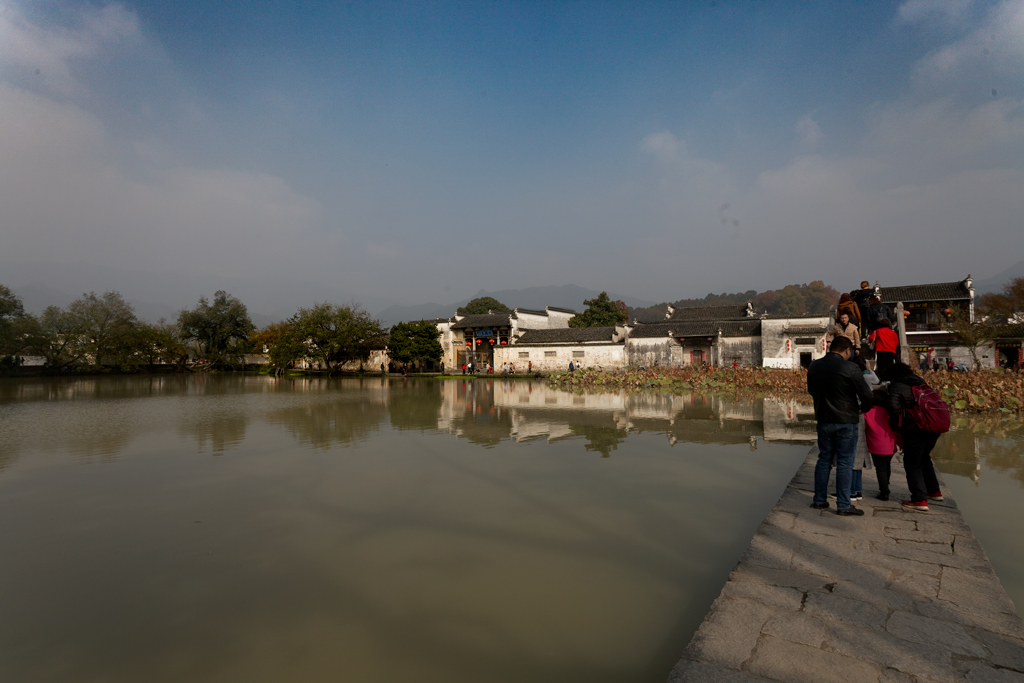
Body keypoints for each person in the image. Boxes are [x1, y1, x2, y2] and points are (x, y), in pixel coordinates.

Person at [807, 335, 874, 516]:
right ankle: (843, 505)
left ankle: (819, 501)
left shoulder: (814, 365)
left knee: (824, 460)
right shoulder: (850, 367)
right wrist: (862, 409)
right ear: (847, 350)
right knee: (845, 462)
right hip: (846, 421)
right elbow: (867, 395)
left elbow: (811, 391)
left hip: (824, 419)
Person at [881, 363, 944, 512]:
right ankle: (934, 491)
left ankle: (919, 499)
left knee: (912, 463)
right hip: (933, 426)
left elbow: (893, 406)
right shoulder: (920, 381)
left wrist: (896, 427)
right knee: (924, 458)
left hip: (916, 428)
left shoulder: (897, 385)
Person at [865, 388, 899, 501]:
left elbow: (864, 428)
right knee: (887, 466)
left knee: (880, 468)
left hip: (876, 445)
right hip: (890, 444)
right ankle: (886, 484)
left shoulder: (868, 413)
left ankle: (884, 491)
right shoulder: (889, 412)